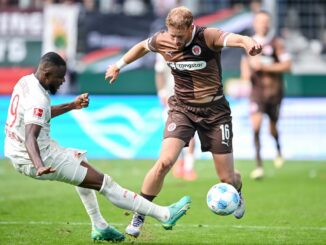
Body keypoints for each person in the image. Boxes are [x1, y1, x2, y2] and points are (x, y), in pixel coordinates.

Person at [105, 6, 262, 238]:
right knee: (164, 162)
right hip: (182, 109)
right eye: (172, 35)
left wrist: (248, 42)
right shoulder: (163, 40)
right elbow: (141, 47)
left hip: (215, 113)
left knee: (227, 177)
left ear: (191, 27)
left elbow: (236, 38)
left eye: (180, 35)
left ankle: (237, 191)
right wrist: (118, 65)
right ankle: (140, 215)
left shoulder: (208, 37)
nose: (176, 41)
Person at [4, 52, 191, 243]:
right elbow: (30, 137)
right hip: (40, 157)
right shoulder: (38, 98)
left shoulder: (25, 82)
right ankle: (164, 214)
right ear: (46, 73)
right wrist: (39, 164)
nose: (62, 81)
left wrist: (72, 105)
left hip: (16, 152)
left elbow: (38, 115)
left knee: (80, 160)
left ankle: (99, 226)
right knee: (105, 183)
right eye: (59, 78)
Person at [240, 10, 292, 179]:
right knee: (256, 127)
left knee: (272, 128)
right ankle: (259, 165)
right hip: (257, 94)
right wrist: (246, 74)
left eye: (266, 21)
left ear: (269, 24)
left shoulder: (276, 43)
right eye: (260, 21)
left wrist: (264, 67)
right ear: (255, 23)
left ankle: (278, 149)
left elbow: (287, 66)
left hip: (274, 94)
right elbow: (245, 72)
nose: (263, 24)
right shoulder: (248, 44)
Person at [155, 53, 197, 181]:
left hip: (189, 98)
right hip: (170, 98)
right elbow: (159, 73)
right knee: (173, 133)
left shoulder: (191, 48)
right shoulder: (162, 50)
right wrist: (161, 92)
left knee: (191, 134)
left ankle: (189, 167)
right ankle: (179, 163)